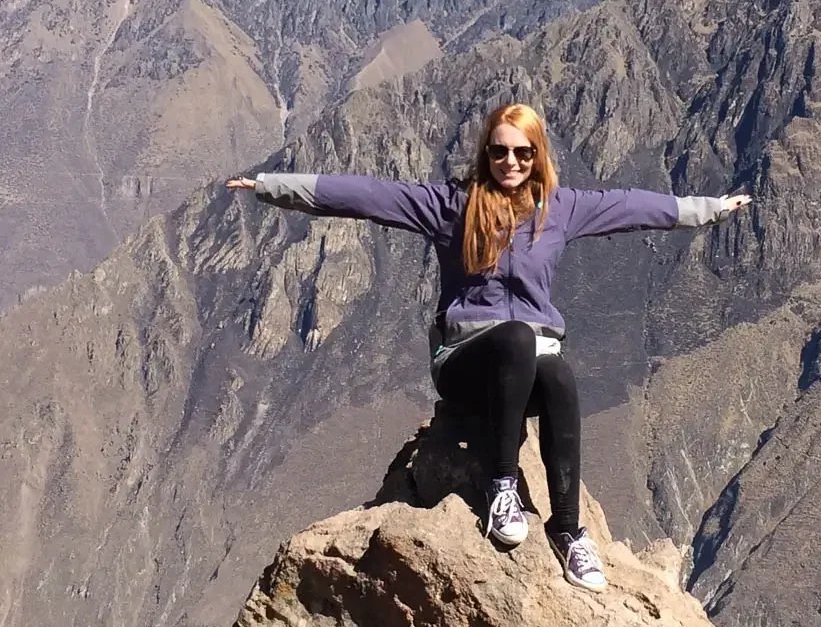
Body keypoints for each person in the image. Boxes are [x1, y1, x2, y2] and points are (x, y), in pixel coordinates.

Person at [227, 103, 751, 592]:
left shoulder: (559, 209)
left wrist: (708, 208)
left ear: (538, 155)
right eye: (500, 150)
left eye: (523, 152)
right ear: (486, 153)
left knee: (560, 375)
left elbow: (633, 207)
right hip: (464, 364)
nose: (511, 162)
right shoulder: (450, 206)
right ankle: (503, 487)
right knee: (519, 337)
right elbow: (365, 196)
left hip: (525, 371)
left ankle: (568, 530)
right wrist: (271, 186)